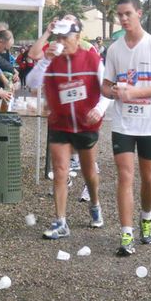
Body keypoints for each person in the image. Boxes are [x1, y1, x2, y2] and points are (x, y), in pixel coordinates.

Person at [102, 0, 151, 256]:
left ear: (139, 13)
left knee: (148, 178)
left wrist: (136, 92)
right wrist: (114, 93)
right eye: (119, 15)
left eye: (127, 14)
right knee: (124, 175)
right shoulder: (114, 49)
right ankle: (126, 232)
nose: (123, 19)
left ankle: (146, 217)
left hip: (148, 123)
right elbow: (105, 85)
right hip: (123, 122)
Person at [26, 18, 109, 239]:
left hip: (85, 123)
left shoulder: (92, 59)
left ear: (77, 37)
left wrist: (99, 110)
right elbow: (32, 83)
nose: (61, 42)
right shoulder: (52, 61)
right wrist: (45, 60)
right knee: (60, 172)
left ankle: (95, 204)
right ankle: (60, 221)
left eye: (66, 38)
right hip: (60, 123)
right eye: (58, 38)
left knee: (88, 171)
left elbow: (107, 89)